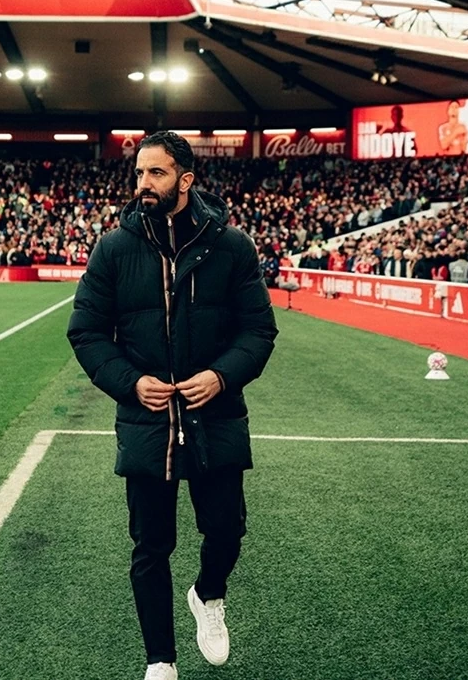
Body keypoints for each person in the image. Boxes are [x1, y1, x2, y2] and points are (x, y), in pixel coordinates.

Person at [67, 131, 278, 680]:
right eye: (139, 172)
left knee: (227, 530)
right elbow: (86, 331)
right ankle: (160, 660)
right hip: (147, 423)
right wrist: (131, 382)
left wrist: (221, 376)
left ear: (186, 180)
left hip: (216, 416)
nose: (144, 183)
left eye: (156, 173)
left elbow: (259, 331)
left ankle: (208, 594)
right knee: (151, 546)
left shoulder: (231, 246)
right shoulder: (114, 248)